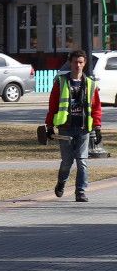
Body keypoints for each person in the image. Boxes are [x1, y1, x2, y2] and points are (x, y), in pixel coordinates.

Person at [46, 48, 102, 202]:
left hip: (83, 128)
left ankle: (80, 192)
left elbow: (96, 107)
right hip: (65, 128)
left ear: (84, 64)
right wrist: (49, 126)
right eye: (75, 62)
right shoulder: (61, 82)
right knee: (67, 162)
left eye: (80, 62)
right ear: (70, 63)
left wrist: (97, 128)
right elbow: (53, 105)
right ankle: (61, 184)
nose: (78, 65)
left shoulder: (90, 84)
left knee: (82, 161)